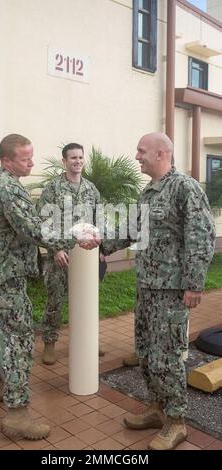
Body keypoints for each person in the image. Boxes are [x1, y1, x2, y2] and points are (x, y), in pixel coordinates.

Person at [0, 134, 98, 441]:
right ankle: (17, 413)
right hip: (5, 273)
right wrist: (74, 239)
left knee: (1, 330)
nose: (31, 162)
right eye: (25, 159)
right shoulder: (7, 187)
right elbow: (33, 227)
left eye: (32, 157)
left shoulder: (4, 181)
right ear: (7, 161)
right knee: (18, 337)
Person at [101, 132, 215, 450]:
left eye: (142, 151)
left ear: (162, 154)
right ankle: (156, 408)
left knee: (167, 358)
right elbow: (133, 228)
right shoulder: (149, 192)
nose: (137, 156)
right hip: (147, 287)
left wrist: (194, 284)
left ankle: (177, 421)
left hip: (171, 291)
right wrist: (101, 244)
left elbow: (201, 236)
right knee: (147, 354)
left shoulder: (184, 188)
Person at [37, 142, 104, 365]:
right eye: (73, 158)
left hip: (86, 256)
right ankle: (49, 342)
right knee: (55, 299)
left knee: (87, 298)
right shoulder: (53, 189)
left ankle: (88, 340)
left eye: (80, 157)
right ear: (64, 161)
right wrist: (55, 249)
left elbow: (98, 220)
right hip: (61, 255)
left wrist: (101, 249)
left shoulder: (91, 189)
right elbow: (43, 222)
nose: (77, 161)